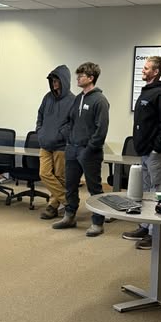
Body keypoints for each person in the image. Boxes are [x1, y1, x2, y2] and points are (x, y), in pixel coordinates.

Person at [122, 55, 161, 250]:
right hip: (144, 151)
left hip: (155, 153)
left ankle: (156, 234)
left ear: (155, 71)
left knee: (158, 192)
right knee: (145, 192)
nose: (143, 71)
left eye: (146, 68)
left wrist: (156, 147)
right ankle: (145, 227)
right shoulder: (147, 91)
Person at [52, 62, 109, 236]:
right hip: (72, 149)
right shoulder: (78, 98)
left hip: (89, 152)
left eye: (81, 76)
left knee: (94, 189)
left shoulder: (100, 100)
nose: (77, 78)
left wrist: (89, 148)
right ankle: (69, 216)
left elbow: (101, 130)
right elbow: (69, 121)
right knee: (70, 186)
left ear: (91, 78)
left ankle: (97, 223)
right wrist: (68, 138)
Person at [36, 65, 75, 219]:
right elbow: (40, 115)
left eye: (56, 80)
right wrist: (40, 130)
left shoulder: (73, 100)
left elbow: (73, 123)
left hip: (61, 145)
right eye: (52, 81)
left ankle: (52, 206)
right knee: (44, 173)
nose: (54, 83)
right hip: (45, 143)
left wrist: (61, 134)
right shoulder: (47, 97)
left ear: (64, 81)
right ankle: (68, 201)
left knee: (60, 176)